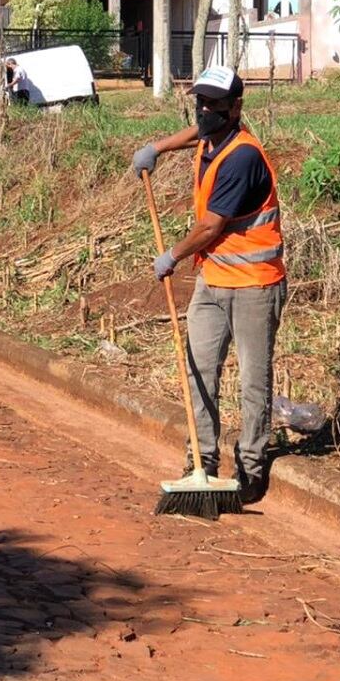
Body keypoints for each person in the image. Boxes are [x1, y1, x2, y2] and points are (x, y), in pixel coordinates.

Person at [130, 66, 286, 504]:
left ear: (236, 107)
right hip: (213, 280)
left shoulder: (243, 157)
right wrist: (157, 148)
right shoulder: (212, 137)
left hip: (255, 284)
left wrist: (172, 256)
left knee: (253, 380)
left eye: (215, 104)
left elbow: (210, 226)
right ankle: (202, 459)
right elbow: (196, 135)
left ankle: (251, 469)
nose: (205, 111)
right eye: (201, 101)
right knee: (197, 369)